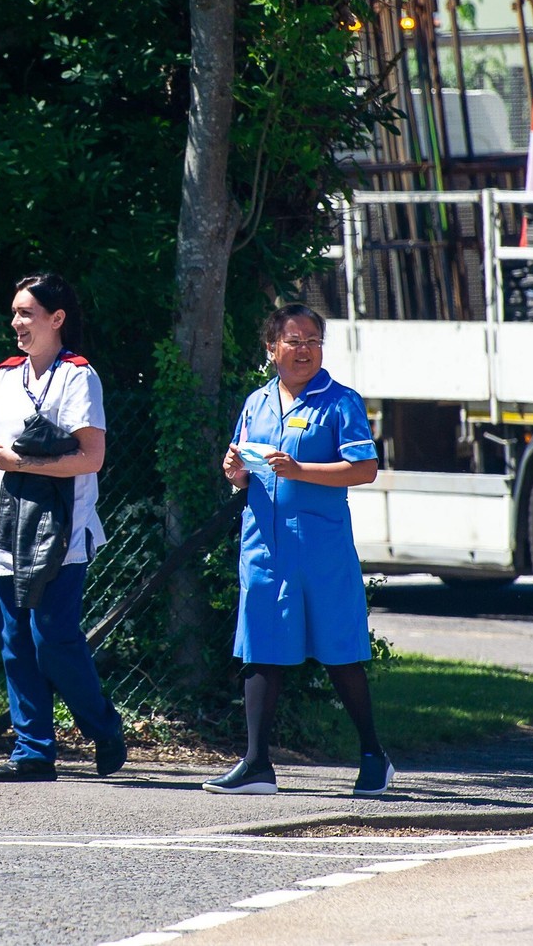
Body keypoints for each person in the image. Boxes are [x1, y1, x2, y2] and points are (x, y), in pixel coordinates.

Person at [206, 303, 390, 796]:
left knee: (339, 651)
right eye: (293, 340)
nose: (304, 349)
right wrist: (235, 472)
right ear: (272, 349)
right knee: (262, 649)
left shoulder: (340, 402)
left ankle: (374, 755)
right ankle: (257, 765)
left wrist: (301, 471)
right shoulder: (256, 402)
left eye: (312, 340)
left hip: (321, 550)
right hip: (264, 549)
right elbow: (243, 465)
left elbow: (365, 469)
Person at [0, 273, 125, 782]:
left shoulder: (78, 377)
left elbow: (91, 458)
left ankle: (102, 725)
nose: (16, 323)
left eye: (26, 313)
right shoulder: (2, 378)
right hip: (5, 531)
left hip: (61, 532)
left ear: (57, 319)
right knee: (15, 641)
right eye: (14, 313)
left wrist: (22, 465)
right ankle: (33, 750)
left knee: (51, 637)